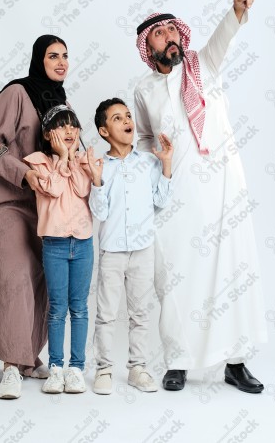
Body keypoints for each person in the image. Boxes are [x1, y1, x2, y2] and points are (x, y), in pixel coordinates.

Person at [134, 0, 267, 393]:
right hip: (177, 196)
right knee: (175, 275)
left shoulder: (202, 64)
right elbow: (140, 139)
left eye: (173, 28)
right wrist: (155, 154)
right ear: (148, 48)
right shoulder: (143, 90)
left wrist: (238, 9)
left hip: (224, 188)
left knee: (233, 269)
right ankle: (178, 361)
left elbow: (222, 38)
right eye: (160, 33)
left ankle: (236, 361)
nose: (169, 36)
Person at [0, 34, 70, 399]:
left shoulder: (60, 103)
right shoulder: (17, 94)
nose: (61, 62)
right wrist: (24, 174)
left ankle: (27, 357)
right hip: (7, 203)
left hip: (44, 209)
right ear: (37, 60)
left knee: (41, 278)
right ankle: (10, 366)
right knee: (14, 276)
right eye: (52, 55)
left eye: (65, 56)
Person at [87, 97, 173, 394]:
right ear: (103, 131)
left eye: (127, 116)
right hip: (112, 251)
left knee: (140, 314)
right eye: (117, 118)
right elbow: (99, 213)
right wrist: (96, 180)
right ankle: (104, 369)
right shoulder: (101, 167)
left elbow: (161, 201)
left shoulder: (148, 162)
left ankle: (138, 369)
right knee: (106, 314)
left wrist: (166, 165)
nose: (127, 121)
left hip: (142, 249)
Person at [24, 106, 93, 394]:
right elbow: (50, 189)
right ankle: (55, 368)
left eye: (73, 126)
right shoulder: (38, 162)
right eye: (62, 126)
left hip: (83, 243)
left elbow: (82, 189)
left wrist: (72, 159)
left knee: (79, 308)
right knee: (57, 310)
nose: (69, 131)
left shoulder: (85, 161)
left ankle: (76, 368)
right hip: (54, 243)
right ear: (47, 133)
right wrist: (62, 158)